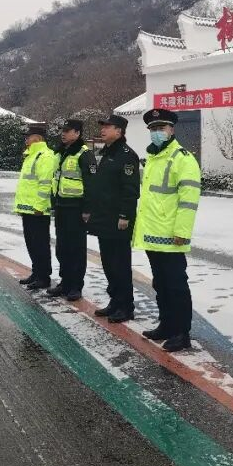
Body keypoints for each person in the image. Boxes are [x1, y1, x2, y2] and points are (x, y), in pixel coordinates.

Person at [131, 108, 201, 352]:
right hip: (153, 234)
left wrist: (182, 231)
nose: (156, 132)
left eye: (161, 128)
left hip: (172, 236)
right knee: (160, 283)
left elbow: (189, 199)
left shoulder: (182, 159)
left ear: (172, 129)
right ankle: (167, 324)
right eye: (152, 129)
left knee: (176, 285)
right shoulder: (153, 158)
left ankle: (181, 333)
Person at [83, 114, 140, 323]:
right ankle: (115, 301)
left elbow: (130, 190)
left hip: (118, 219)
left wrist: (125, 215)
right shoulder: (106, 153)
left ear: (119, 131)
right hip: (104, 217)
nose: (103, 130)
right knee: (108, 262)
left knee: (120, 264)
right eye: (103, 126)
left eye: (108, 127)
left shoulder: (127, 155)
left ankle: (126, 306)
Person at [46, 119, 94, 301]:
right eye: (62, 131)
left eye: (67, 131)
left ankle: (75, 285)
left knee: (76, 248)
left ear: (77, 133)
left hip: (77, 208)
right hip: (61, 206)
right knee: (62, 247)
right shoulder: (60, 152)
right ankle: (64, 282)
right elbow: (56, 179)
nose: (63, 134)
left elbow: (91, 183)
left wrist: (87, 208)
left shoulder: (84, 154)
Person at [13, 124, 58, 290]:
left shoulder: (45, 156)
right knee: (31, 243)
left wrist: (39, 206)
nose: (26, 139)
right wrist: (21, 207)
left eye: (29, 136)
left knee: (40, 244)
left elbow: (45, 183)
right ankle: (36, 272)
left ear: (38, 138)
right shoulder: (30, 155)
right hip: (28, 208)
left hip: (38, 210)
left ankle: (43, 276)